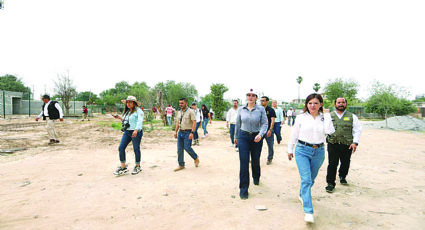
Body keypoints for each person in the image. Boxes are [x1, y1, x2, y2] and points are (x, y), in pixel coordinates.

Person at [287, 93, 335, 223]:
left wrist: (327, 115)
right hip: (302, 150)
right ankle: (308, 211)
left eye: (315, 103)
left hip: (319, 152)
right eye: (310, 103)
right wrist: (290, 149)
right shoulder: (301, 117)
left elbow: (329, 131)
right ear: (306, 104)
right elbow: (294, 134)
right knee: (306, 179)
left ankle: (302, 194)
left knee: (311, 179)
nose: (312, 106)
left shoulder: (324, 118)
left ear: (320, 104)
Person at [234, 89, 268, 200]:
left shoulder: (261, 109)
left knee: (255, 159)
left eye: (253, 95)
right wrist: (236, 137)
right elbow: (238, 123)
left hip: (256, 138)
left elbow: (264, 124)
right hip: (243, 136)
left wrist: (261, 134)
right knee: (244, 162)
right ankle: (243, 189)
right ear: (246, 97)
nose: (251, 97)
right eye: (249, 95)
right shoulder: (241, 109)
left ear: (256, 98)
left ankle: (256, 176)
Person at [325, 97, 362, 193]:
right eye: (338, 102)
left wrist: (355, 142)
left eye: (343, 102)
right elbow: (324, 129)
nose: (341, 104)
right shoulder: (329, 116)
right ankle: (330, 183)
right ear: (335, 104)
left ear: (346, 104)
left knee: (345, 162)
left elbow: (357, 130)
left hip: (347, 145)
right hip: (333, 143)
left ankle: (342, 176)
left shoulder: (352, 116)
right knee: (332, 164)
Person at [112, 96, 144, 176]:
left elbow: (139, 122)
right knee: (121, 147)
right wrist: (119, 118)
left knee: (136, 148)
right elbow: (126, 121)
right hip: (127, 132)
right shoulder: (127, 112)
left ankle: (137, 166)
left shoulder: (139, 111)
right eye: (127, 102)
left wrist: (136, 130)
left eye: (130, 102)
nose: (128, 104)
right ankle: (123, 167)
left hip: (135, 132)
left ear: (134, 103)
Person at [174, 97, 200, 172]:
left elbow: (194, 122)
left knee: (187, 147)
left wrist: (192, 132)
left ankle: (195, 157)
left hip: (188, 132)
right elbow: (178, 123)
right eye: (180, 103)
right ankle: (181, 165)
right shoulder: (179, 112)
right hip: (180, 132)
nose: (180, 105)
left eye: (182, 103)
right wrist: (175, 132)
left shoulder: (191, 111)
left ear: (186, 103)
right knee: (179, 149)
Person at [260, 96, 276, 165]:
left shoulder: (271, 110)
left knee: (270, 145)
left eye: (263, 100)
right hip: (260, 130)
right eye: (261, 100)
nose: (262, 102)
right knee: (257, 145)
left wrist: (270, 129)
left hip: (268, 130)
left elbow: (272, 121)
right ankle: (255, 157)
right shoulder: (259, 109)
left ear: (267, 102)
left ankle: (270, 158)